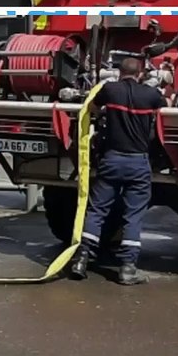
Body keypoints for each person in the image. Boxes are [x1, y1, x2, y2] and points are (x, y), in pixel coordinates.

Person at [68, 56, 167, 285]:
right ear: (141, 73)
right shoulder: (150, 95)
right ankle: (127, 269)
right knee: (133, 216)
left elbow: (92, 107)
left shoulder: (110, 90)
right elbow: (166, 110)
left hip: (111, 160)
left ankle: (81, 260)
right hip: (138, 163)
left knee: (96, 211)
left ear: (118, 72)